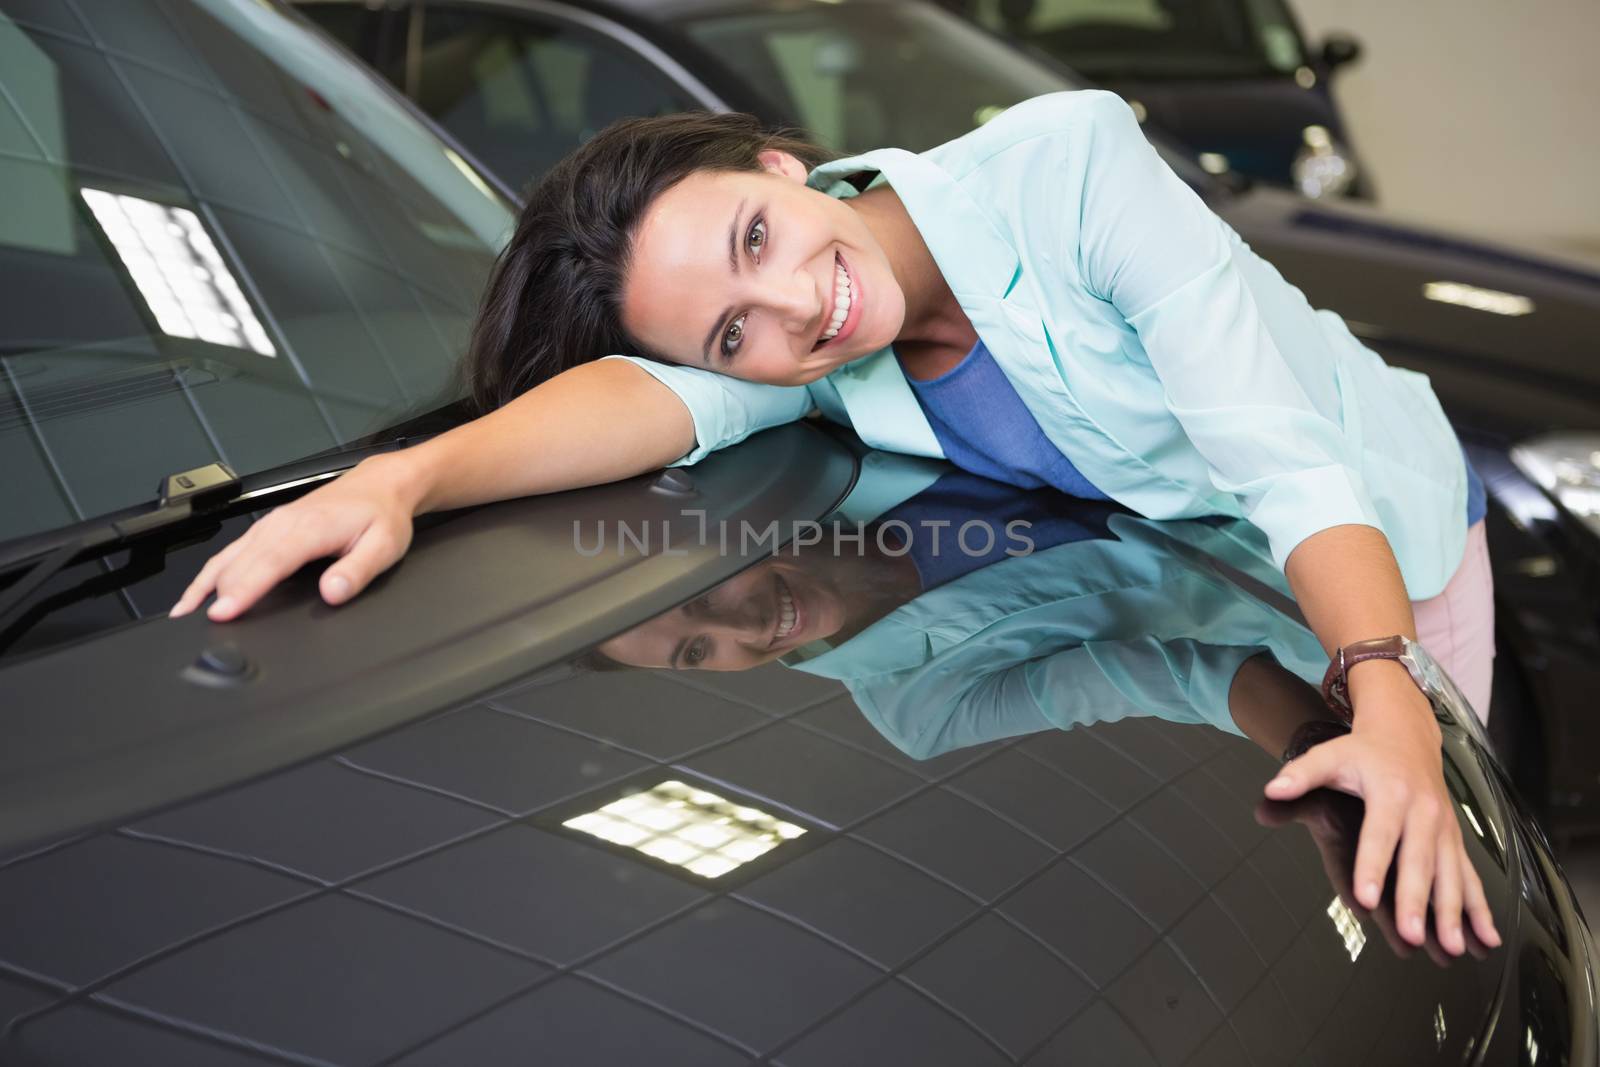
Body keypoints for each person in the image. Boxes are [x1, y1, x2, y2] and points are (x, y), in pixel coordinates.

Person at [169, 89, 1499, 955]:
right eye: (734, 332)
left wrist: (1380, 689)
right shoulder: (795, 373)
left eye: (758, 236)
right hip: (1224, 613)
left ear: (781, 164)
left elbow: (1284, 457)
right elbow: (645, 399)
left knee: (1443, 892)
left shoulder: (1067, 166)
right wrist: (398, 482)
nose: (795, 310)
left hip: (1389, 547)